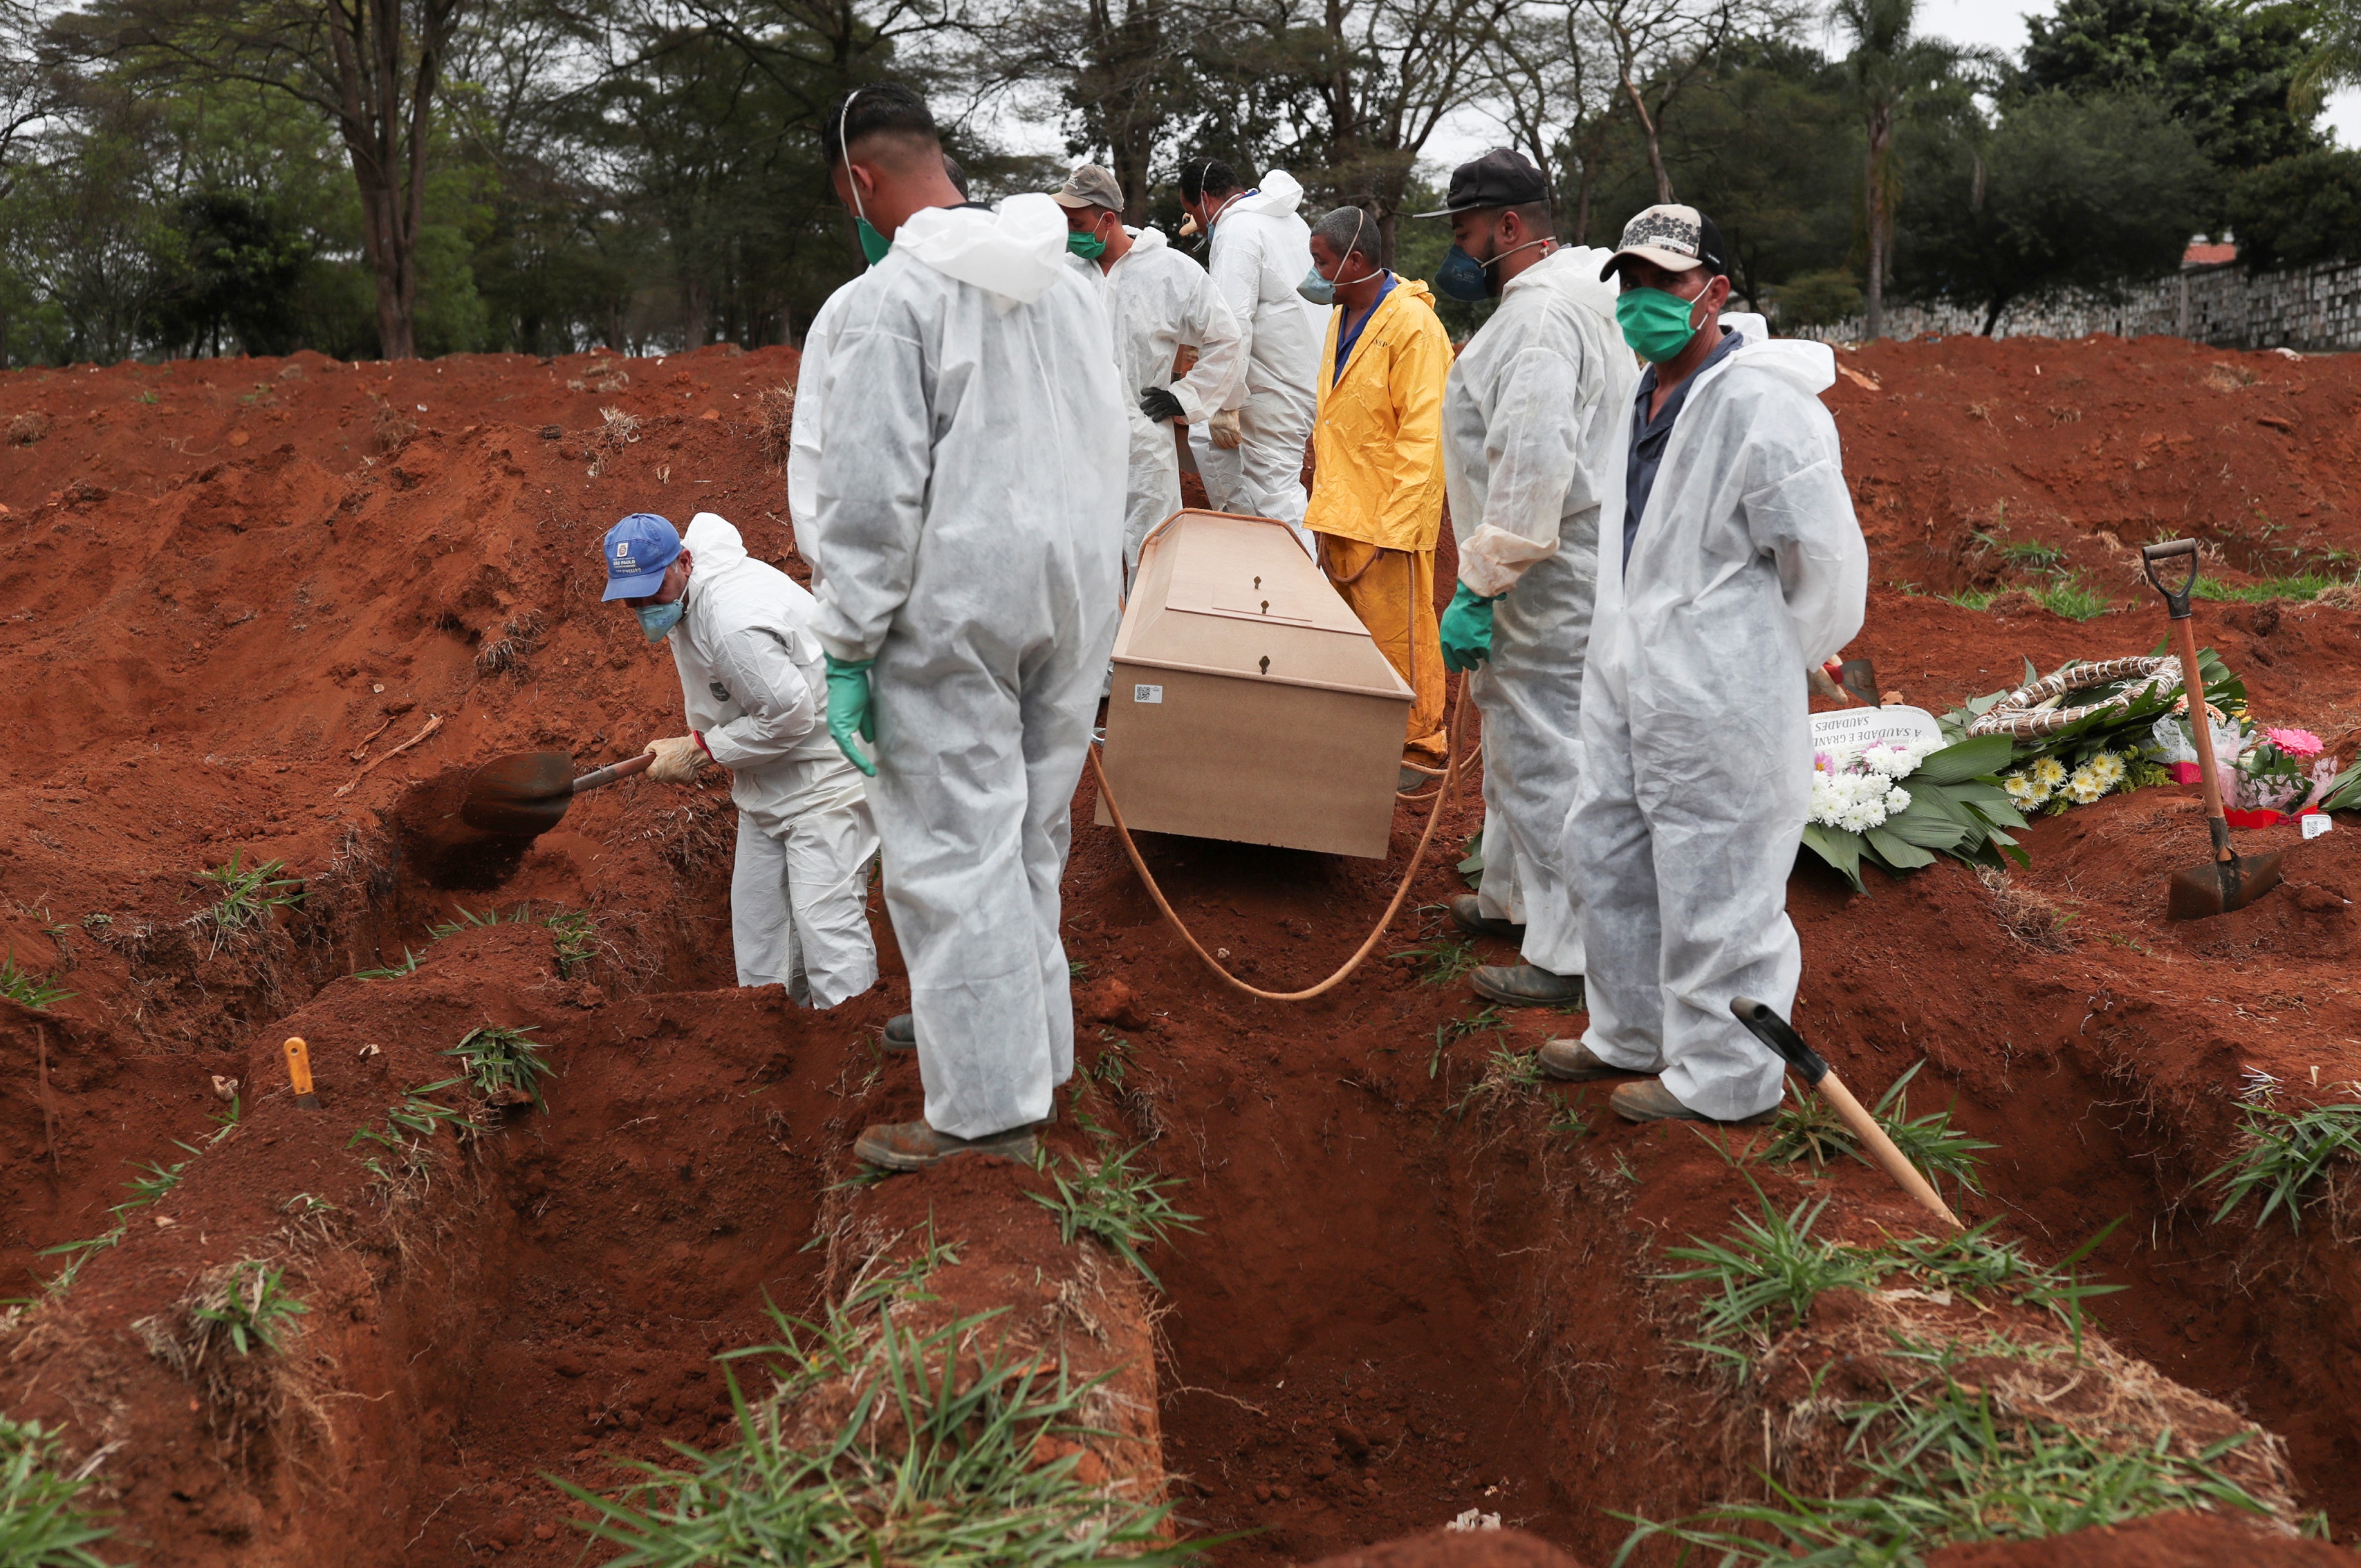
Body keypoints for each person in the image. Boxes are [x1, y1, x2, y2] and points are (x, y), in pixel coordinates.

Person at [808, 82, 1128, 1169]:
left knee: (954, 855)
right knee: (1030, 834)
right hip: (1072, 598)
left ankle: (988, 1114)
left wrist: (848, 645)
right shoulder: (1071, 286)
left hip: (951, 609)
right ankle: (1035, 1049)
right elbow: (1114, 441)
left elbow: (868, 498)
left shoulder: (889, 302)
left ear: (863, 179)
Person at [1556, 204, 1867, 1126]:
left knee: (1714, 871)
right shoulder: (1639, 391)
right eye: (1633, 285)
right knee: (1605, 843)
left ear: (1715, 292)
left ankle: (1724, 1077)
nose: (1645, 302)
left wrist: (1763, 657)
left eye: (1666, 283)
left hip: (1718, 684)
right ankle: (1629, 1031)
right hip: (1627, 664)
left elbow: (1824, 565)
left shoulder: (1765, 408)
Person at [1418, 149, 1633, 1013]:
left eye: (1467, 234)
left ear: (1511, 228)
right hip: (1565, 559)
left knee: (1541, 751)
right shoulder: (1573, 297)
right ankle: (1513, 898)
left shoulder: (1541, 321)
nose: (1459, 253)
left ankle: (1572, 950)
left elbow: (1531, 465)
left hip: (1542, 569)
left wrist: (1482, 582)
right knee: (1522, 739)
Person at [600, 510, 880, 1007]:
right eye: (631, 594)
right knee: (760, 931)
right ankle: (776, 1051)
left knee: (827, 925)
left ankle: (851, 1055)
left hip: (827, 777)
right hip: (768, 784)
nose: (643, 603)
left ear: (684, 561)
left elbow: (789, 717)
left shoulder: (732, 622)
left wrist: (702, 750)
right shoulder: (690, 596)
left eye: (652, 586)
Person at [1302, 204, 1452, 781]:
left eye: (1321, 262)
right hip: (1342, 509)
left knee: (1400, 638)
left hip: (1387, 519)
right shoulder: (1343, 315)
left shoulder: (1413, 327)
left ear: (1355, 261)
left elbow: (1424, 434)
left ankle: (1418, 745)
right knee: (1352, 641)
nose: (1314, 274)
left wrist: (1401, 526)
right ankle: (1362, 735)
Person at [1050, 162, 1245, 589]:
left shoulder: (1170, 271)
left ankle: (1143, 653)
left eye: (1077, 222)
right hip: (1075, 441)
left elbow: (1226, 337)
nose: (1069, 233)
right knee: (1083, 560)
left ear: (1108, 218)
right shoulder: (1061, 274)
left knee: (1152, 553)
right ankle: (1096, 657)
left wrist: (1186, 397)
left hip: (1142, 440)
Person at [1177, 158, 1322, 550]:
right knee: (1209, 442)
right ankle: (1255, 564)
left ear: (1206, 199)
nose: (1196, 222)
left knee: (1276, 495)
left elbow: (1232, 322)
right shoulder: (1284, 219)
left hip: (1275, 387)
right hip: (1308, 375)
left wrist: (1226, 402)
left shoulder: (1237, 229)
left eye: (1193, 212)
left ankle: (1307, 598)